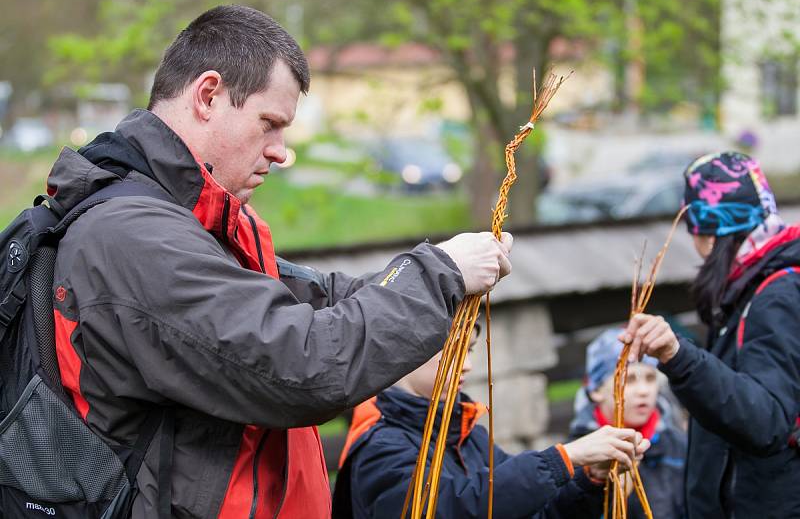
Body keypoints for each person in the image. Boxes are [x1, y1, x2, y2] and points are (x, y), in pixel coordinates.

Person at [49, 5, 513, 518]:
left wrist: (426, 276)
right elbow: (301, 364)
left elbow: (316, 298)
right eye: (269, 124)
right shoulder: (133, 237)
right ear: (208, 96)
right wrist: (439, 273)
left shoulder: (197, 223)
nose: (281, 152)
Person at [623, 151, 800, 518]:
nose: (696, 246)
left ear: (711, 229)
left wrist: (678, 356)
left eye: (696, 232)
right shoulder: (753, 285)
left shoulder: (776, 295)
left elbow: (766, 420)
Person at [334, 324, 651, 518]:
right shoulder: (380, 445)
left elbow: (530, 511)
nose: (469, 365)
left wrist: (589, 482)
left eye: (471, 349)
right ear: (407, 350)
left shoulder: (469, 434)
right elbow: (450, 509)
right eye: (456, 351)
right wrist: (563, 459)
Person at [569, 328, 687, 519]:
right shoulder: (578, 457)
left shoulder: (679, 446)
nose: (643, 391)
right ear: (596, 389)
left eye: (650, 378)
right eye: (628, 380)